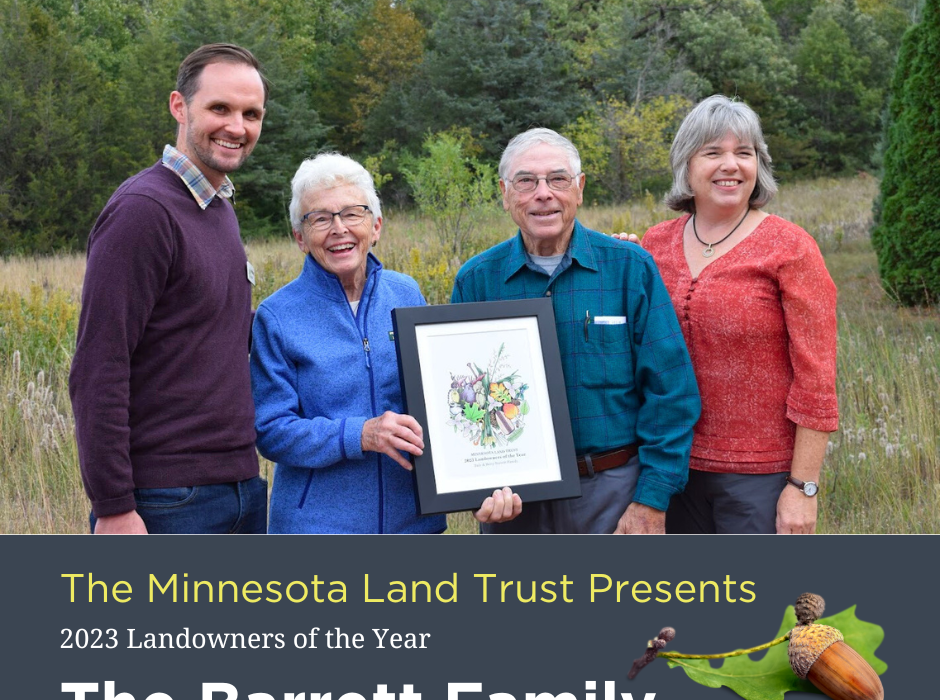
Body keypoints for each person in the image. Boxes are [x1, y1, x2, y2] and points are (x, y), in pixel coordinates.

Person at [451, 129, 700, 534]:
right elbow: (463, 401)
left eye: (558, 179)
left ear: (579, 188)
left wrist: (652, 499)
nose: (543, 193)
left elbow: (671, 393)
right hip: (513, 500)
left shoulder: (629, 268)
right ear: (505, 193)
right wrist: (476, 488)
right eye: (526, 181)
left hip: (613, 494)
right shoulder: (477, 280)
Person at [251, 153, 516, 533]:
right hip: (319, 530)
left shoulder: (405, 292)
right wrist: (360, 434)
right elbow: (272, 431)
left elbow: (442, 400)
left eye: (352, 213)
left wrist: (476, 480)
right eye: (320, 218)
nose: (338, 228)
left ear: (375, 226)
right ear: (300, 237)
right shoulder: (277, 316)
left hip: (413, 524)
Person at [69, 44, 270, 534]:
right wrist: (115, 506)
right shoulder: (144, 211)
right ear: (179, 107)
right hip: (167, 501)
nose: (237, 127)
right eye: (219, 108)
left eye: (251, 114)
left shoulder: (216, 206)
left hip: (240, 487)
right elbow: (99, 364)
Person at [639, 95, 838, 534]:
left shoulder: (791, 248)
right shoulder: (653, 246)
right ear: (686, 165)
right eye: (713, 153)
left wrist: (803, 487)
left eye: (743, 153)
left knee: (754, 599)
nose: (730, 165)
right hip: (667, 468)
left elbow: (817, 380)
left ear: (758, 166)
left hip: (760, 478)